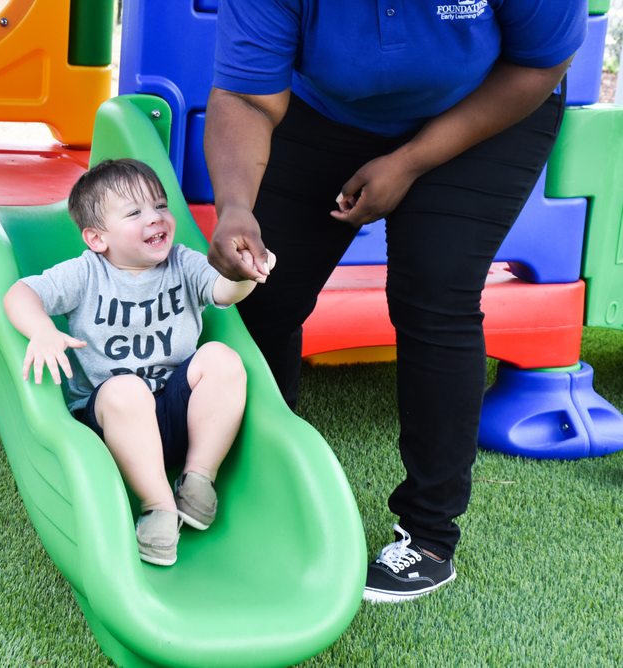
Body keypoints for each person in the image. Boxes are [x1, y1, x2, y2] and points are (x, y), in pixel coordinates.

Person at [203, 1, 587, 601]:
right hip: (323, 112)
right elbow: (248, 96)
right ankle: (262, 483)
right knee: (260, 292)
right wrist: (236, 208)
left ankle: (429, 535)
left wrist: (410, 162)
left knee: (435, 291)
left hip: (487, 109)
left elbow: (541, 62)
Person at [3, 158, 275, 566]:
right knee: (126, 388)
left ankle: (198, 478)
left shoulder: (182, 262)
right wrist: (42, 329)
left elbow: (220, 291)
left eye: (161, 206)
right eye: (135, 212)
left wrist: (243, 274)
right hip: (114, 425)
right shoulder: (87, 273)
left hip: (178, 411)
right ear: (97, 239)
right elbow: (21, 293)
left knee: (223, 359)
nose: (155, 218)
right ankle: (159, 507)